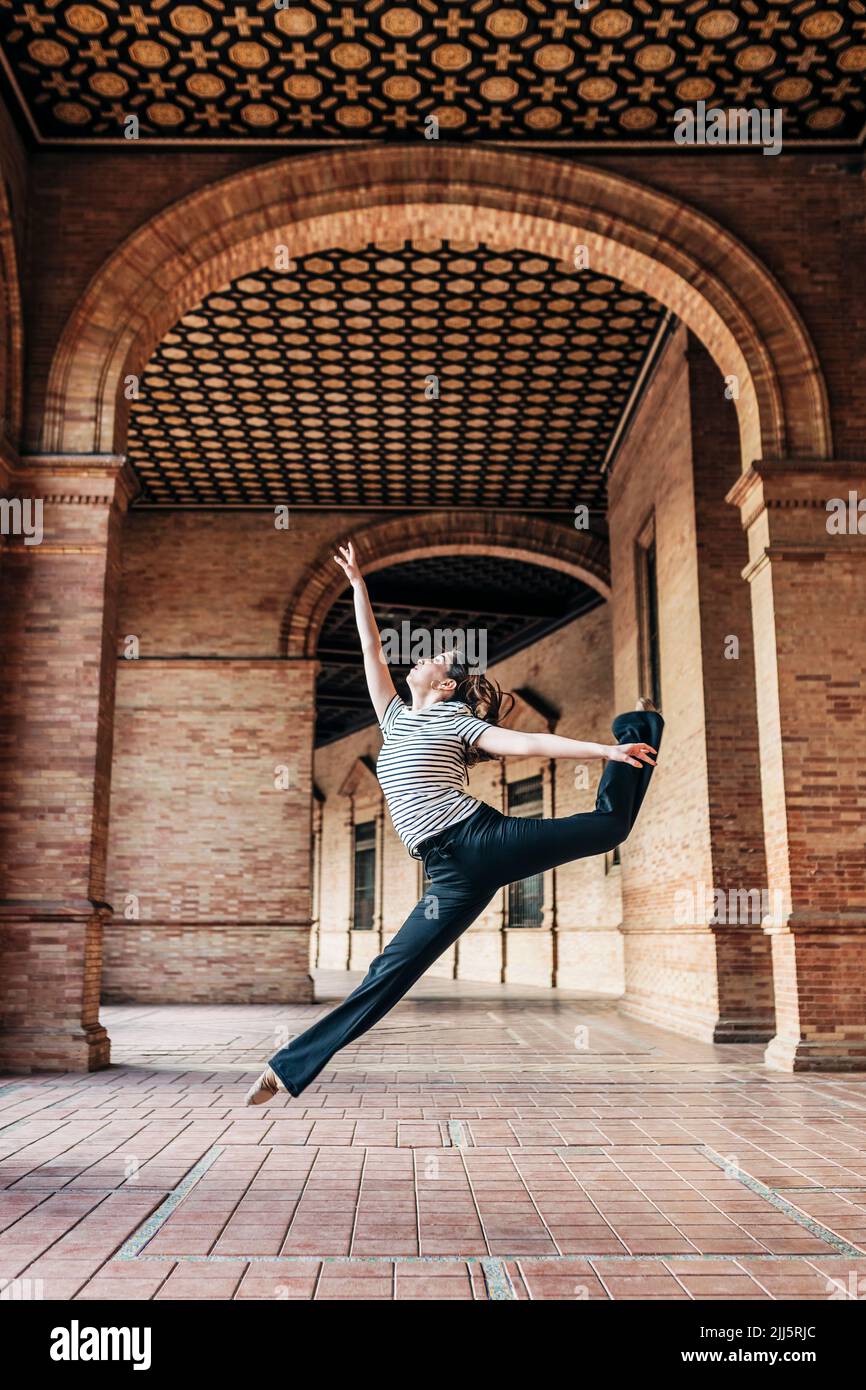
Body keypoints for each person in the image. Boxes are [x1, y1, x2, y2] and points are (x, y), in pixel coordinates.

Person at [246, 540, 663, 1104]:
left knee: (608, 827)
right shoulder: (393, 719)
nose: (422, 660)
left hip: (481, 838)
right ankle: (286, 1069)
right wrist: (359, 586)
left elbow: (523, 742)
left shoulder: (454, 717)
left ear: (444, 686)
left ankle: (634, 733)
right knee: (391, 970)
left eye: (435, 662)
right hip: (448, 873)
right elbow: (371, 649)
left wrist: (602, 752)